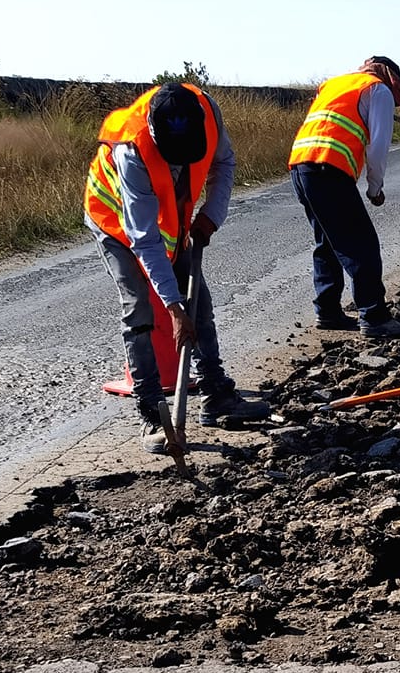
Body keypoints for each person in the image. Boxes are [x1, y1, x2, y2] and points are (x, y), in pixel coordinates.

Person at [85, 80, 268, 454]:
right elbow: (144, 238)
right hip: (117, 223)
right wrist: (172, 307)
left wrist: (211, 216)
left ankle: (216, 395)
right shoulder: (131, 149)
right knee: (139, 309)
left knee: (199, 303)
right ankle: (152, 413)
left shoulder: (209, 112)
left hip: (174, 221)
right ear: (155, 133)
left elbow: (224, 163)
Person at [288, 56, 400, 338]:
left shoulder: (335, 84)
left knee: (328, 241)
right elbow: (378, 146)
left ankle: (328, 310)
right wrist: (374, 188)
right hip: (327, 169)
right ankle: (374, 317)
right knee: (362, 244)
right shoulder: (378, 89)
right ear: (392, 78)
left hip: (300, 166)